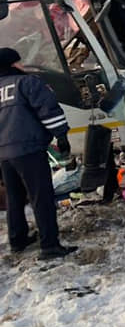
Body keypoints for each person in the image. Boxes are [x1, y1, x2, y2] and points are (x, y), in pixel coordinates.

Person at [0, 47, 78, 259]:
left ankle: (18, 240)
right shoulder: (27, 83)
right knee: (41, 196)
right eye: (19, 61)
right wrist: (61, 135)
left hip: (4, 155)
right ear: (13, 64)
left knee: (14, 197)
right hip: (29, 149)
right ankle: (50, 245)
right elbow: (49, 110)